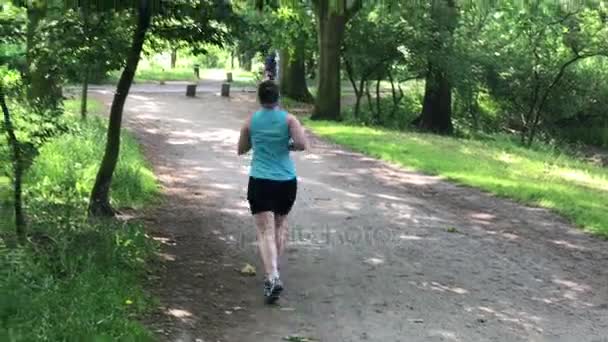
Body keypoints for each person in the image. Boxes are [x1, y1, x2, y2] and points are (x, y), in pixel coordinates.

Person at [237, 80, 308, 304]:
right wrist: (286, 145)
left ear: (260, 98)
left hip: (260, 180)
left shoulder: (251, 121)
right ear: (278, 98)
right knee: (279, 225)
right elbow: (301, 144)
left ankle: (272, 276)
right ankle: (274, 271)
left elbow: (241, 149)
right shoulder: (289, 119)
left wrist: (257, 141)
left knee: (264, 230)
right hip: (286, 181)